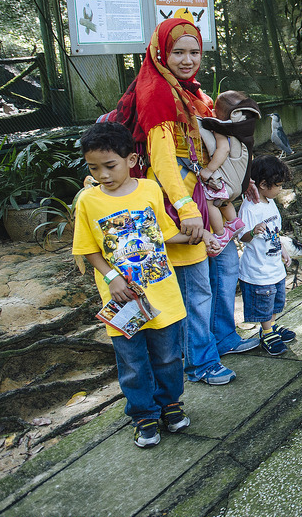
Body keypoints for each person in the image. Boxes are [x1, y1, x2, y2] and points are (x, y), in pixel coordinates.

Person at [106, 17, 259, 386]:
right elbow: (163, 163)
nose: (188, 59)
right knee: (195, 286)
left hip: (207, 197)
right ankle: (199, 362)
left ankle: (222, 337)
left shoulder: (192, 94)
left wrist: (241, 181)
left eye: (194, 52)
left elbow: (211, 148)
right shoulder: (158, 94)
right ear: (162, 53)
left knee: (224, 270)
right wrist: (186, 210)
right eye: (178, 52)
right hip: (178, 204)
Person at [73, 122, 209, 447]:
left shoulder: (149, 190)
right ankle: (143, 415)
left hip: (162, 295)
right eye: (94, 168)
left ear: (131, 159)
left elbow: (163, 232)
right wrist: (112, 278)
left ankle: (170, 404)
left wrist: (197, 236)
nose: (103, 174)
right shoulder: (88, 201)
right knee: (132, 363)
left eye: (110, 165)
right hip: (122, 301)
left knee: (168, 357)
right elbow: (87, 248)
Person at [238, 155, 296, 355]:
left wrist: (283, 250)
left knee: (276, 299)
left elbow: (275, 231)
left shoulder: (270, 202)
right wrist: (253, 231)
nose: (280, 189)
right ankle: (266, 332)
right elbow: (242, 236)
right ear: (263, 184)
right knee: (263, 301)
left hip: (274, 264)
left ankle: (272, 325)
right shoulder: (249, 207)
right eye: (278, 185)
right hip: (258, 268)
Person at [197, 90, 262, 251]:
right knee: (224, 201)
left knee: (210, 201)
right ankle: (234, 222)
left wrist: (209, 170)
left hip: (226, 182)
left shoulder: (222, 129)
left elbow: (224, 149)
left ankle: (220, 233)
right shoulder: (244, 131)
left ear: (215, 113)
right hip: (239, 183)